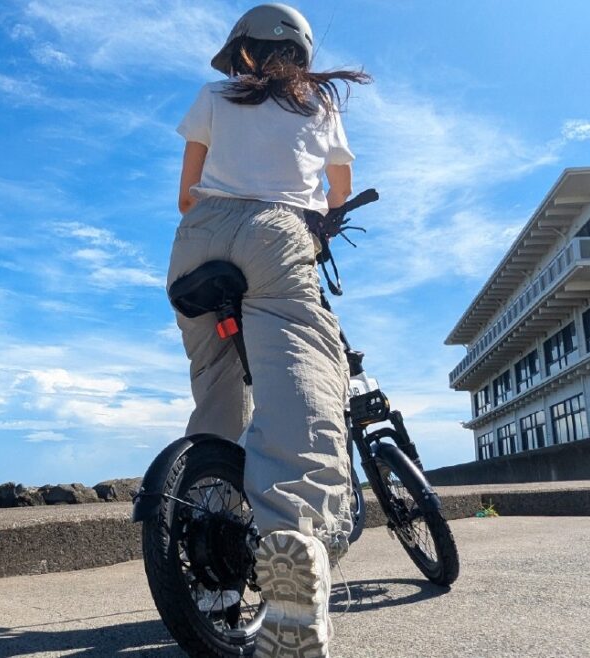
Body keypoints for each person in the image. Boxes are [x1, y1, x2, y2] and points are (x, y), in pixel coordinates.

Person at [166, 4, 371, 655]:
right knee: (303, 385)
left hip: (197, 243)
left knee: (217, 392)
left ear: (244, 53)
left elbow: (187, 192)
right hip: (274, 235)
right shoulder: (318, 107)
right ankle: (293, 550)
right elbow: (338, 192)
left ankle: (212, 562)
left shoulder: (213, 95)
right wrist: (317, 222)